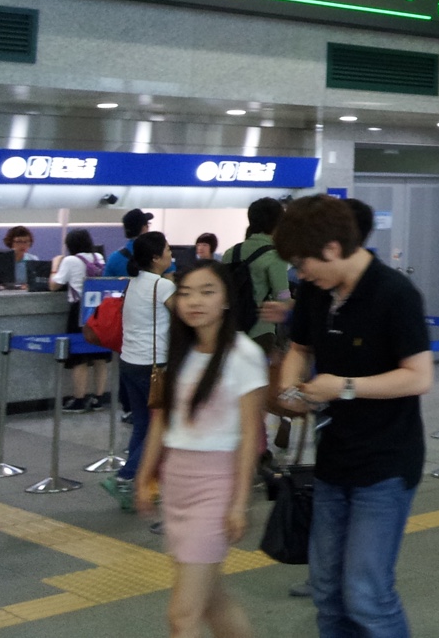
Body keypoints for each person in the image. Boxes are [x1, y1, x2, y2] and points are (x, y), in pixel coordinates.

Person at [276, 194, 433, 638]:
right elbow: (300, 348)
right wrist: (291, 389)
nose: (300, 273)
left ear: (330, 248)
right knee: (327, 591)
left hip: (385, 465)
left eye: (303, 263)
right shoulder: (315, 291)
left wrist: (344, 386)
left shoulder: (395, 293)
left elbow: (419, 377)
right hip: (333, 461)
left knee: (366, 592)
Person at [134, 261, 266, 638]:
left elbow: (246, 437)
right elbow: (161, 422)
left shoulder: (244, 354)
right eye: (187, 292)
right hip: (177, 482)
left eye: (208, 292)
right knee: (212, 600)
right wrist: (144, 477)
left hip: (216, 484)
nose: (195, 301)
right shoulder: (178, 350)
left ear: (226, 300)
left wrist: (239, 503)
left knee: (183, 615)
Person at [103, 232, 177, 509]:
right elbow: (184, 316)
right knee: (159, 428)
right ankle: (125, 476)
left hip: (129, 362)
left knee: (143, 425)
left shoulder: (134, 282)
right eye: (168, 250)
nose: (172, 255)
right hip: (153, 365)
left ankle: (133, 489)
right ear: (156, 257)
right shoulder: (162, 287)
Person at [50, 229, 111, 411]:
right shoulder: (99, 257)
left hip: (80, 311)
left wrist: (55, 266)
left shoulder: (70, 260)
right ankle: (98, 398)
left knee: (79, 357)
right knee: (100, 356)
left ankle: (79, 399)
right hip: (101, 309)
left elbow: (54, 285)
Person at [222, 197, 289, 352]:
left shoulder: (230, 253)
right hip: (261, 329)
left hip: (232, 329)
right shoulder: (274, 256)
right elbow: (282, 297)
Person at [105, 209, 155, 278]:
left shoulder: (113, 259)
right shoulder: (157, 256)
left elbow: (104, 284)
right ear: (144, 228)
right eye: (147, 224)